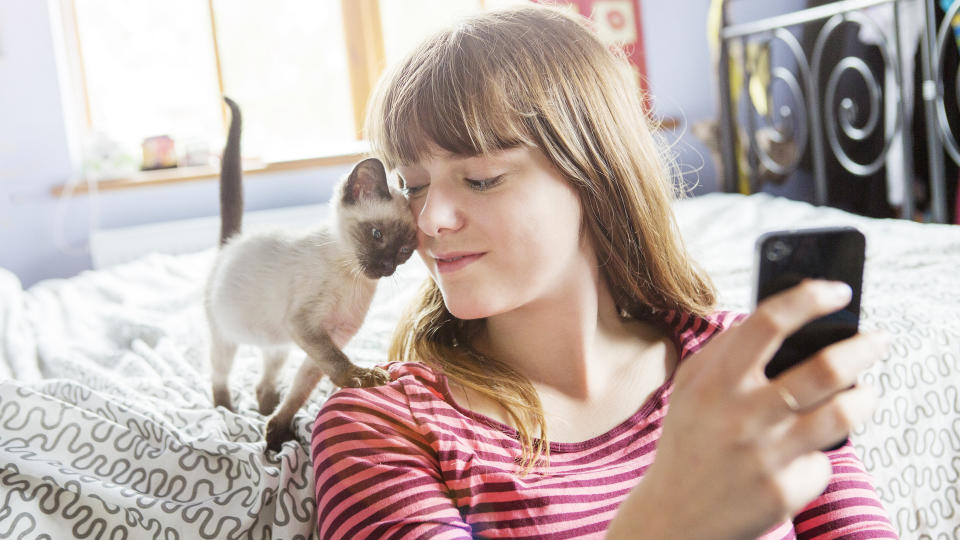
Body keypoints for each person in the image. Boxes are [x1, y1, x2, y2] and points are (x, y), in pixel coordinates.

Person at [311, 5, 896, 539]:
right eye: (411, 186)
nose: (429, 219)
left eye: (482, 177)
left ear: (597, 176)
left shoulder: (742, 369)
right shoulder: (379, 428)